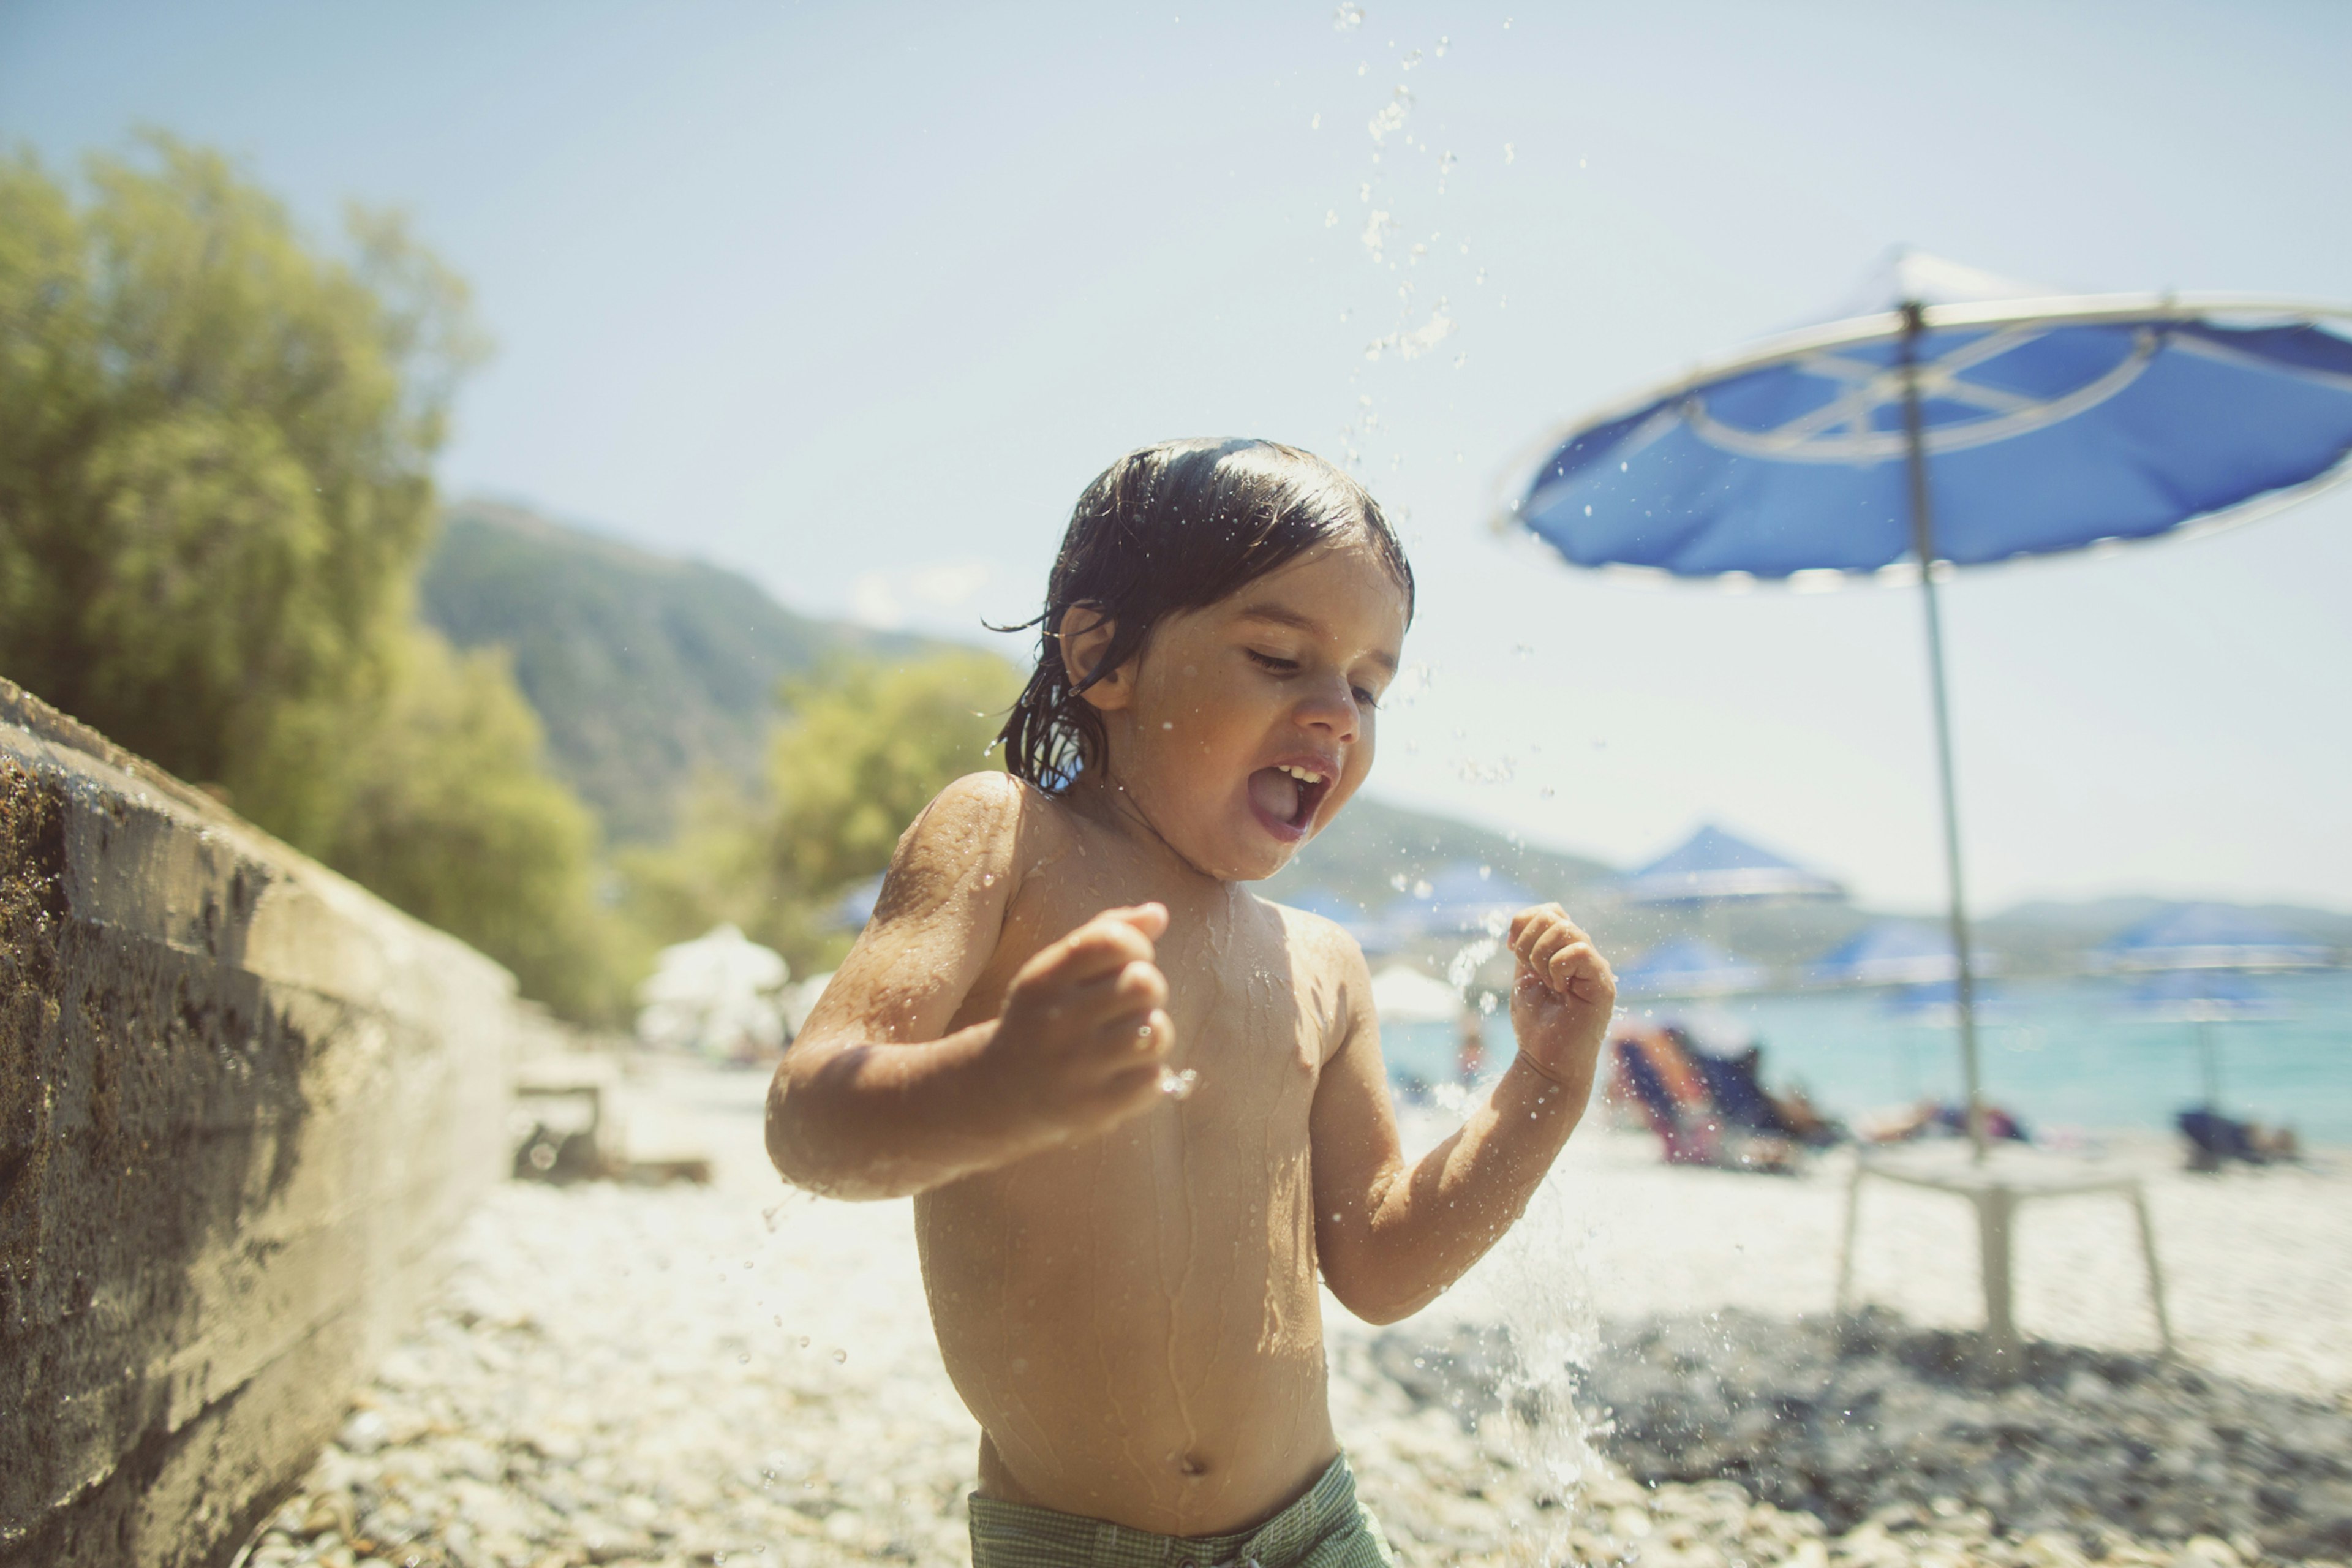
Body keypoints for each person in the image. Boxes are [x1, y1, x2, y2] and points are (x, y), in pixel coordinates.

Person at [766, 439, 1615, 1568]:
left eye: (1368, 685)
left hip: (1316, 1531)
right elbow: (810, 1122)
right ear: (1101, 653)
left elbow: (1383, 1267)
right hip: (1072, 1547)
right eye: (1277, 657)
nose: (1338, 715)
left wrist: (1546, 1085)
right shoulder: (1008, 843)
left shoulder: (1322, 964)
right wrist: (996, 1087)